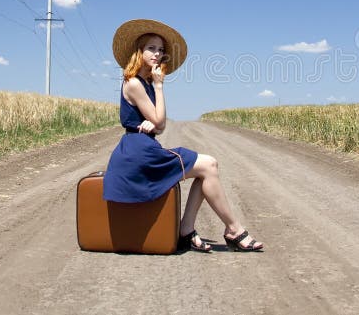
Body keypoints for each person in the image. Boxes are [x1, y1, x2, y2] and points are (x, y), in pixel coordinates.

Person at [103, 19, 263, 252]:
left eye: (160, 50)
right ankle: (233, 230)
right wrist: (159, 88)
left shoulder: (144, 82)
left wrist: (155, 119)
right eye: (151, 48)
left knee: (208, 167)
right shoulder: (135, 83)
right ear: (139, 51)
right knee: (209, 165)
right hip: (138, 154)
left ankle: (188, 229)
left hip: (145, 148)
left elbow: (159, 126)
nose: (157, 54)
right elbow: (160, 122)